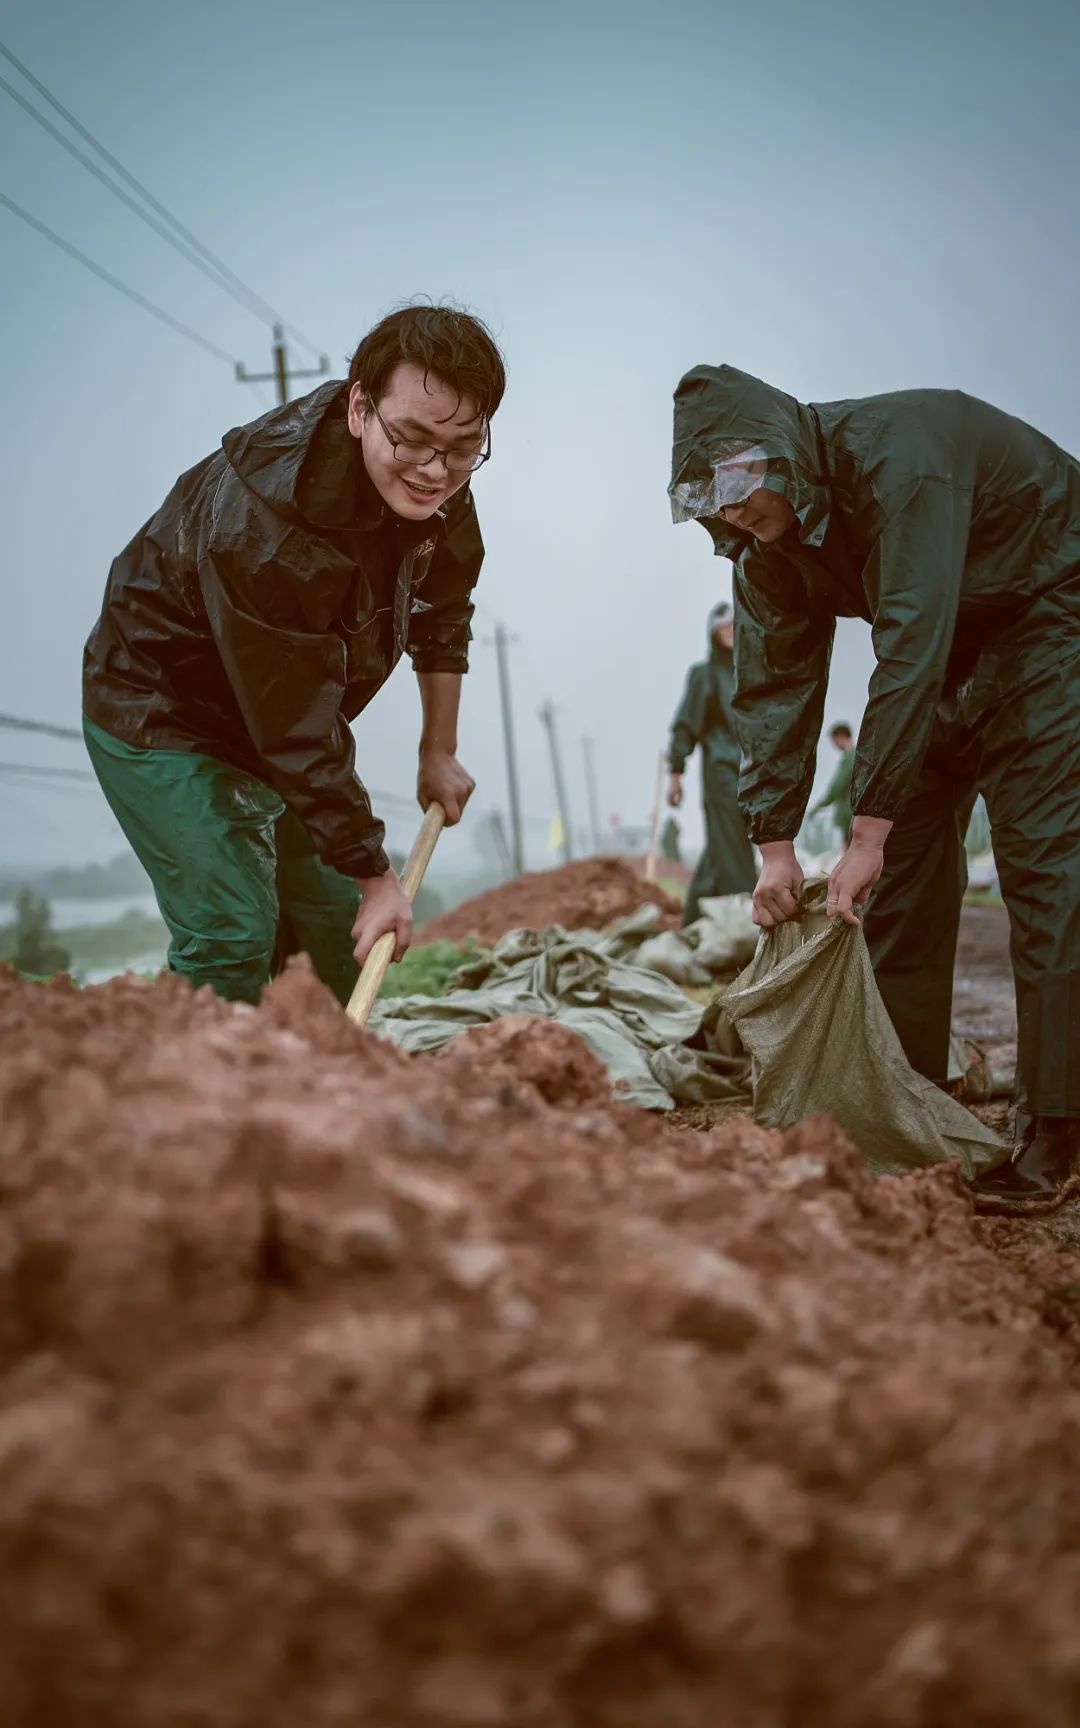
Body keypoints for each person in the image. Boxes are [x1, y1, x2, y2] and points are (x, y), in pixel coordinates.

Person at [669, 364, 1080, 1211]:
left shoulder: (900, 462)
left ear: (783, 450)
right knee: (894, 882)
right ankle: (906, 1098)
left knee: (1043, 870)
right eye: (718, 500)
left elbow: (910, 648)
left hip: (1050, 609)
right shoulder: (765, 555)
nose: (739, 510)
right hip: (950, 646)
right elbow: (773, 691)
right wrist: (776, 852)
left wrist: (866, 832)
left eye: (748, 483)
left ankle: (1057, 1129)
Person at [83, 304, 506, 1006]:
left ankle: (330, 1096)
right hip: (161, 709)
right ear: (359, 407)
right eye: (414, 440)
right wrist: (377, 877)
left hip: (281, 717)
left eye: (464, 447)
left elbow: (443, 606)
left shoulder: (435, 483)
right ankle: (205, 1100)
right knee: (230, 931)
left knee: (340, 933)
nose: (436, 470)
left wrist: (439, 748)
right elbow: (295, 726)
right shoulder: (269, 529)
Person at [666, 601, 758, 924]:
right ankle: (748, 916)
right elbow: (686, 724)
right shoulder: (703, 676)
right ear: (713, 634)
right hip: (721, 775)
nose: (730, 633)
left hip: (750, 774)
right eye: (724, 628)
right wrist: (676, 772)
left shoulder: (748, 674)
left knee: (727, 844)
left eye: (735, 626)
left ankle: (694, 917)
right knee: (732, 846)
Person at [808, 721, 855, 843]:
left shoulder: (850, 758)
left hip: (849, 815)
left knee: (850, 854)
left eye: (834, 740)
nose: (833, 744)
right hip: (854, 816)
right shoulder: (855, 756)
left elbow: (836, 788)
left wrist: (817, 807)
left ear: (840, 736)